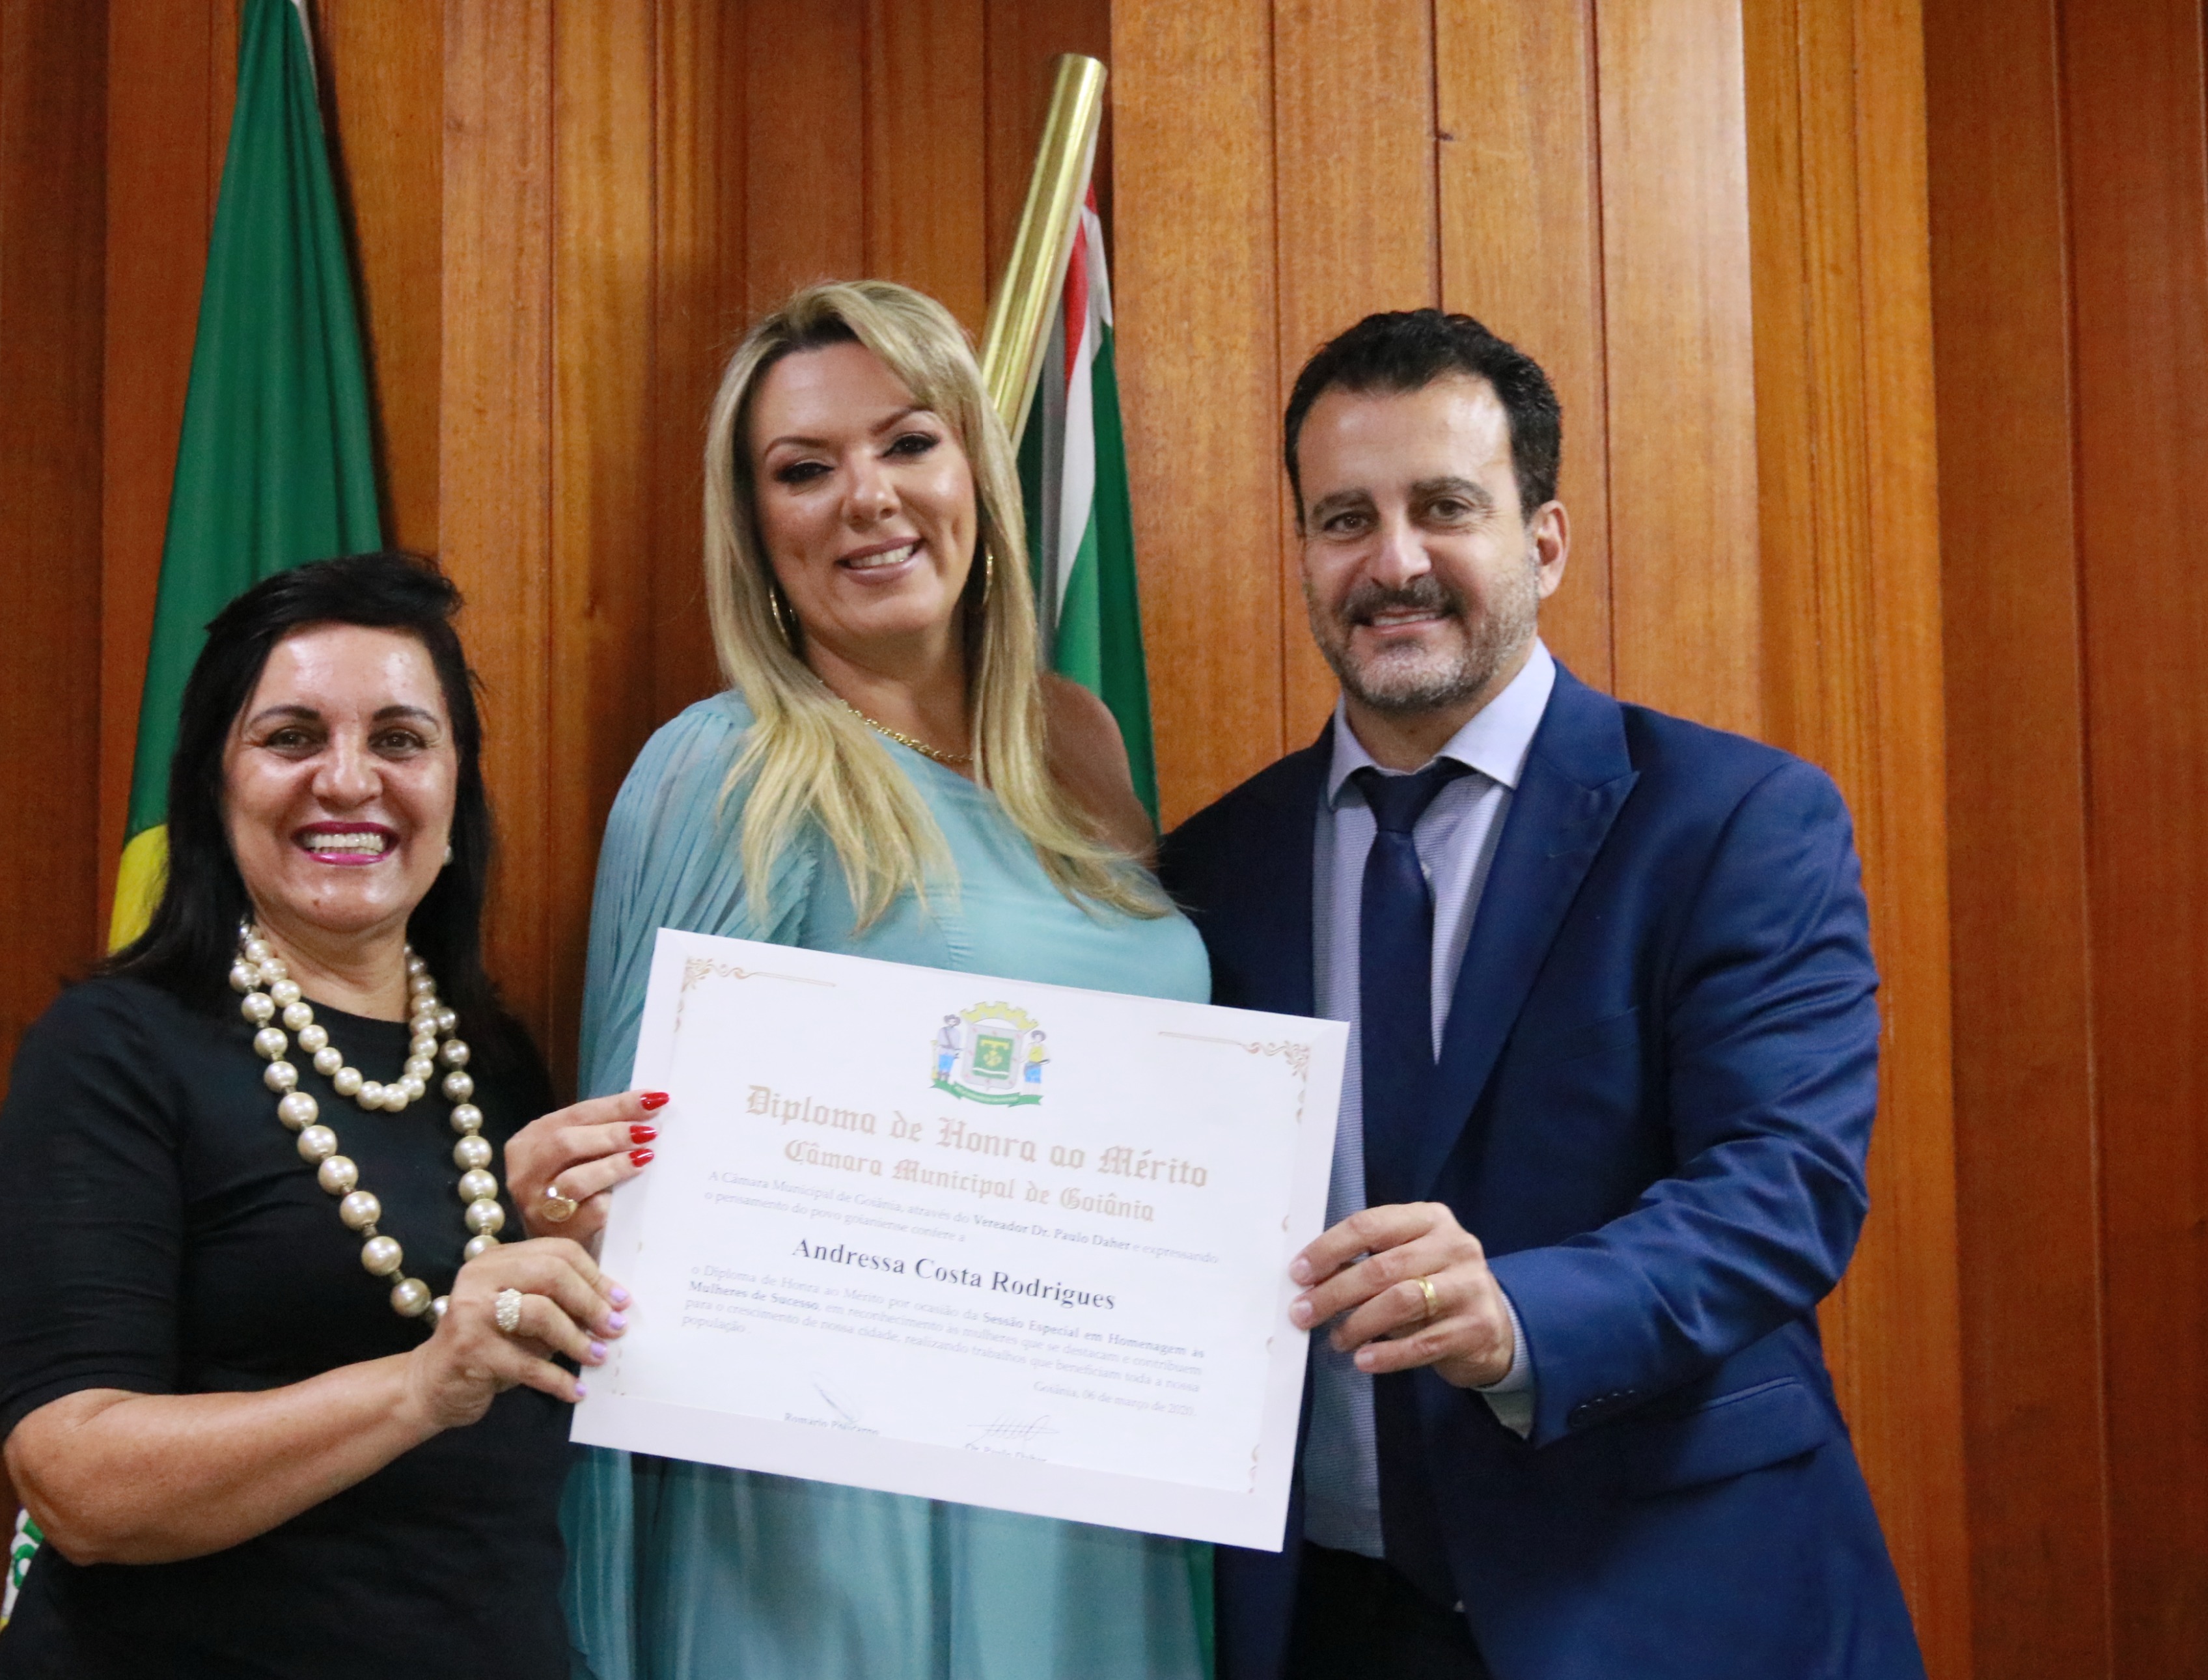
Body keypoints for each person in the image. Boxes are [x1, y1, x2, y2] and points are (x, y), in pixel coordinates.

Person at [1161, 310, 1924, 1680]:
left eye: (1445, 507)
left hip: (1664, 1597)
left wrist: (1524, 1316)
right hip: (1324, 1622)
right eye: (1345, 519)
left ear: (1545, 541)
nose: (1394, 562)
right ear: (1305, 554)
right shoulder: (1212, 870)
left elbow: (1785, 1184)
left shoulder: (1735, 821)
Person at [565, 280, 1211, 1680]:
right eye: (804, 469)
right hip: (831, 1521)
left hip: (1100, 1465)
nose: (868, 497)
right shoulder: (722, 772)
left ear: (976, 469)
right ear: (755, 528)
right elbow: (625, 1218)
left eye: (909, 442)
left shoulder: (1081, 743)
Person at [0, 553, 660, 1678]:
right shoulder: (110, 1052)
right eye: (292, 737)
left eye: (400, 739)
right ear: (215, 786)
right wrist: (420, 1385)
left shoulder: (498, 1065)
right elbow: (76, 1480)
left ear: (456, 790)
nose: (347, 780)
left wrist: (572, 1253)